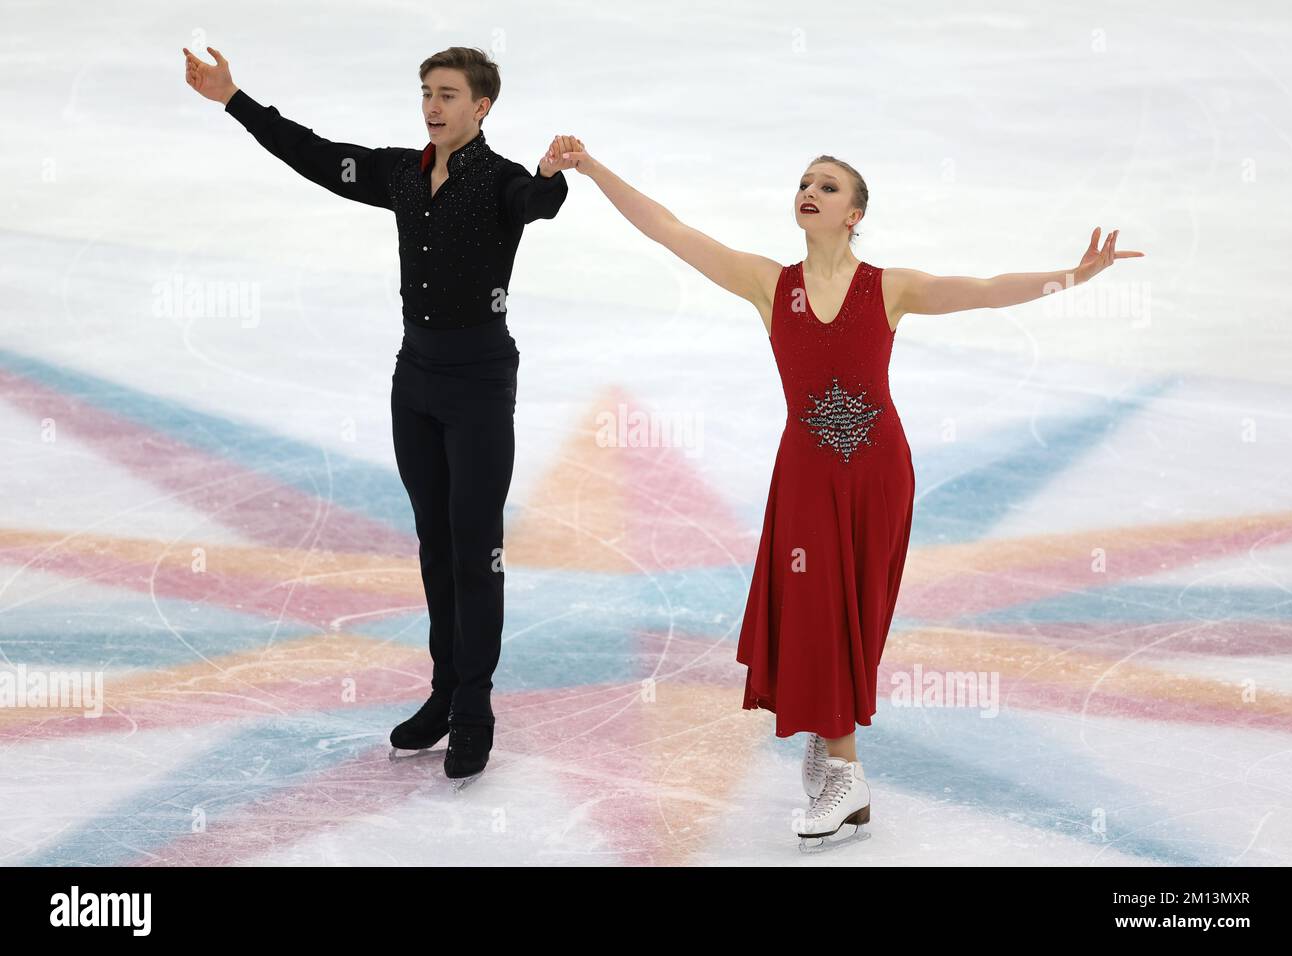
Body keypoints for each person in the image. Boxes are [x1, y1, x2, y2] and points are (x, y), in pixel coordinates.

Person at [560, 139, 1143, 842]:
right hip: (806, 473)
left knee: (853, 615)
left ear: (854, 213)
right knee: (815, 607)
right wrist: (592, 170)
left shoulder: (888, 288)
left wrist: (1074, 277)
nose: (810, 191)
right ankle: (843, 767)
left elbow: (985, 291)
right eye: (805, 183)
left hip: (877, 474)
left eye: (828, 187)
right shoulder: (768, 283)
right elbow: (671, 230)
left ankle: (837, 750)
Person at [183, 44, 580, 782]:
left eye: (449, 95)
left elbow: (538, 203)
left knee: (475, 549)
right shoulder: (402, 172)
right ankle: (442, 692)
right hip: (417, 381)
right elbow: (316, 155)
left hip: (480, 384)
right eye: (427, 92)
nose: (433, 106)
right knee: (434, 543)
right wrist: (234, 99)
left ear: (482, 106)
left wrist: (552, 178)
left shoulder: (499, 182)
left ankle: (475, 708)